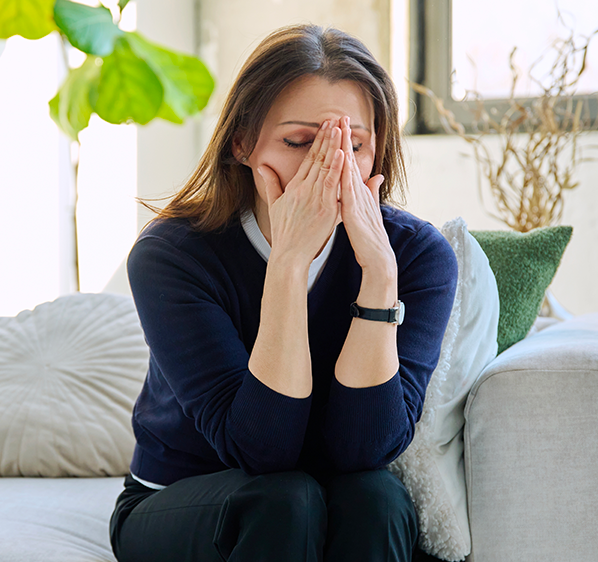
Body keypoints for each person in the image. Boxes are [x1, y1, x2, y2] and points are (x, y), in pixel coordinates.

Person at [109, 23, 458, 562]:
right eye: (299, 143)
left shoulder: (415, 256)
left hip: (333, 487)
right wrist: (290, 263)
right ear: (242, 143)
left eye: (353, 145)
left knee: (377, 500)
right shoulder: (171, 255)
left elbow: (366, 450)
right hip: (187, 493)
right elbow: (260, 450)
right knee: (285, 501)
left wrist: (379, 277)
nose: (330, 166)